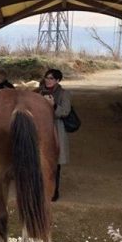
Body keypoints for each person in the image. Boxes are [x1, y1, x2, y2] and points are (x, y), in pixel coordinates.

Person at [36, 69, 71, 201]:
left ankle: (54, 190)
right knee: (39, 160)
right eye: (46, 77)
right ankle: (40, 188)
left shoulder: (63, 93)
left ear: (57, 80)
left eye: (51, 78)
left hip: (56, 128)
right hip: (39, 128)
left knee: (55, 162)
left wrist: (53, 105)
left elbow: (65, 111)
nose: (48, 80)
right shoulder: (39, 91)